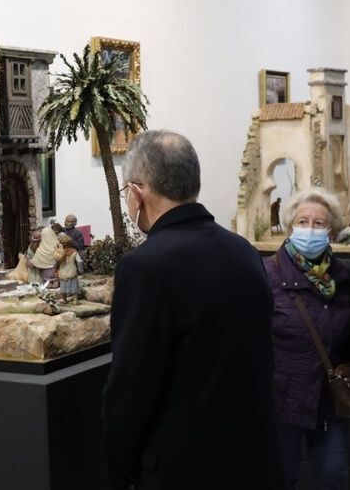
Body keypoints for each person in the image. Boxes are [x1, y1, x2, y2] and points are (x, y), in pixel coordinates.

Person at [102, 130, 276, 490]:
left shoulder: (144, 266)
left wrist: (120, 471)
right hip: (253, 455)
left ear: (136, 192)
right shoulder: (243, 251)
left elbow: (131, 388)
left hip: (183, 466)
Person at [264, 187, 350, 490]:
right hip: (281, 397)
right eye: (302, 222)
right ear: (290, 228)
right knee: (281, 476)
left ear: (331, 232)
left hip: (328, 396)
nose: (310, 229)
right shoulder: (267, 274)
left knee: (333, 475)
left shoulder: (343, 278)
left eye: (319, 224)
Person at [57, 233, 83, 304]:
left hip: (62, 271)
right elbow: (79, 261)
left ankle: (64, 299)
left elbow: (55, 262)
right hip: (71, 270)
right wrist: (80, 270)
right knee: (74, 286)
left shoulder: (60, 252)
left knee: (63, 286)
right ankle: (75, 300)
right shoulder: (74, 251)